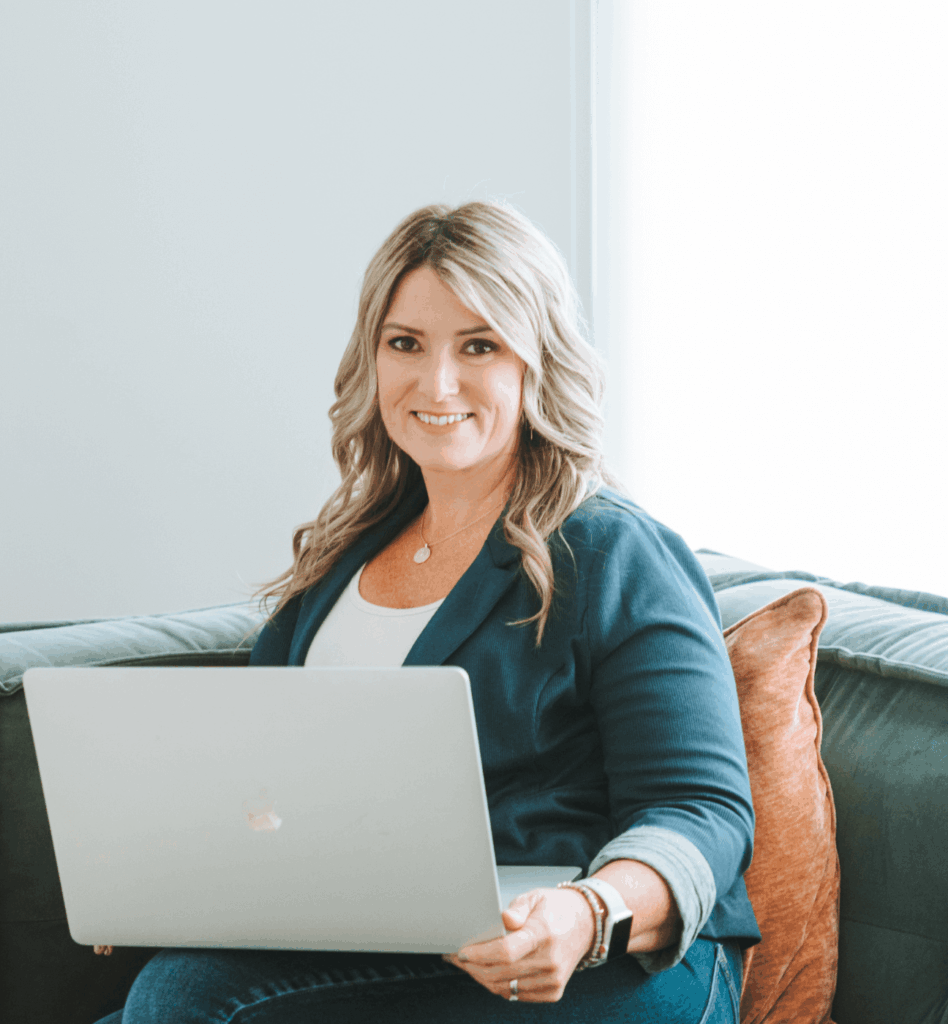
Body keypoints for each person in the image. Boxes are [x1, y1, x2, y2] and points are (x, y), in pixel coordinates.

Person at [94, 200, 759, 1023]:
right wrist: (166, 873)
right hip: (381, 941)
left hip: (602, 962)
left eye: (480, 346)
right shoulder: (339, 560)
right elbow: (268, 790)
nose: (436, 383)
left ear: (537, 362)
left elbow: (701, 810)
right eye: (405, 343)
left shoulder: (613, 550)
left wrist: (587, 914)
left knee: (187, 995)